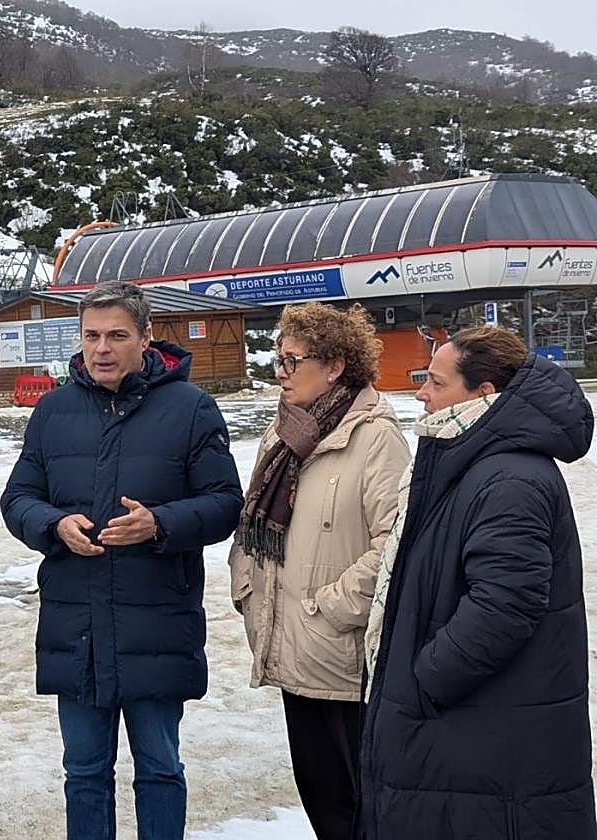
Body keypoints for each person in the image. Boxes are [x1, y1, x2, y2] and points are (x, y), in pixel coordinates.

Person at [0, 281, 243, 839]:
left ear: (146, 338)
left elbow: (226, 503)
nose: (102, 348)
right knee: (84, 771)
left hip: (155, 621)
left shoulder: (190, 408)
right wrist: (52, 524)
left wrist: (159, 523)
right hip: (75, 625)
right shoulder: (53, 411)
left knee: (159, 769)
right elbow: (18, 499)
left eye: (116, 335)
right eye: (91, 335)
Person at [358, 327, 597, 840]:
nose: (420, 393)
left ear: (483, 395)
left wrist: (424, 682)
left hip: (481, 734)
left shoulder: (509, 479)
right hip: (472, 733)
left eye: (436, 383)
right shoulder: (471, 462)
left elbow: (504, 607)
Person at [228, 302, 408, 840]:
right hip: (290, 642)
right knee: (320, 794)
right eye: (279, 361)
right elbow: (253, 522)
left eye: (292, 361)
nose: (280, 373)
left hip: (340, 652)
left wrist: (329, 606)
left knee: (360, 802)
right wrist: (248, 586)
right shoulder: (285, 431)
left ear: (334, 367)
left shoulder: (376, 436)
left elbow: (395, 544)